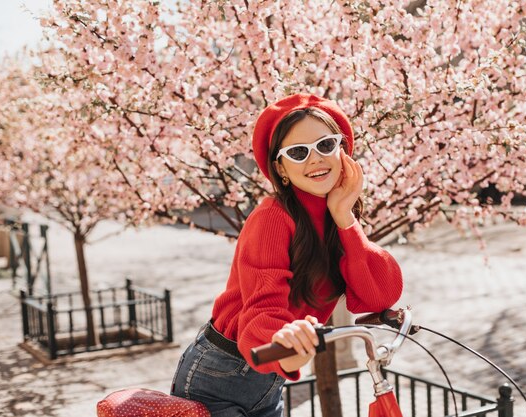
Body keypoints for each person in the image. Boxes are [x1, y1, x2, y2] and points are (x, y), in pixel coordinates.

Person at [170, 93, 403, 417]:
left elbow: (379, 295)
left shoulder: (336, 217)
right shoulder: (272, 218)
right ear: (280, 168)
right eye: (297, 152)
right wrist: (285, 342)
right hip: (222, 375)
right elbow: (261, 311)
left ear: (343, 151)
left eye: (325, 145)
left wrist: (345, 216)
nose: (315, 160)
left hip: (271, 375)